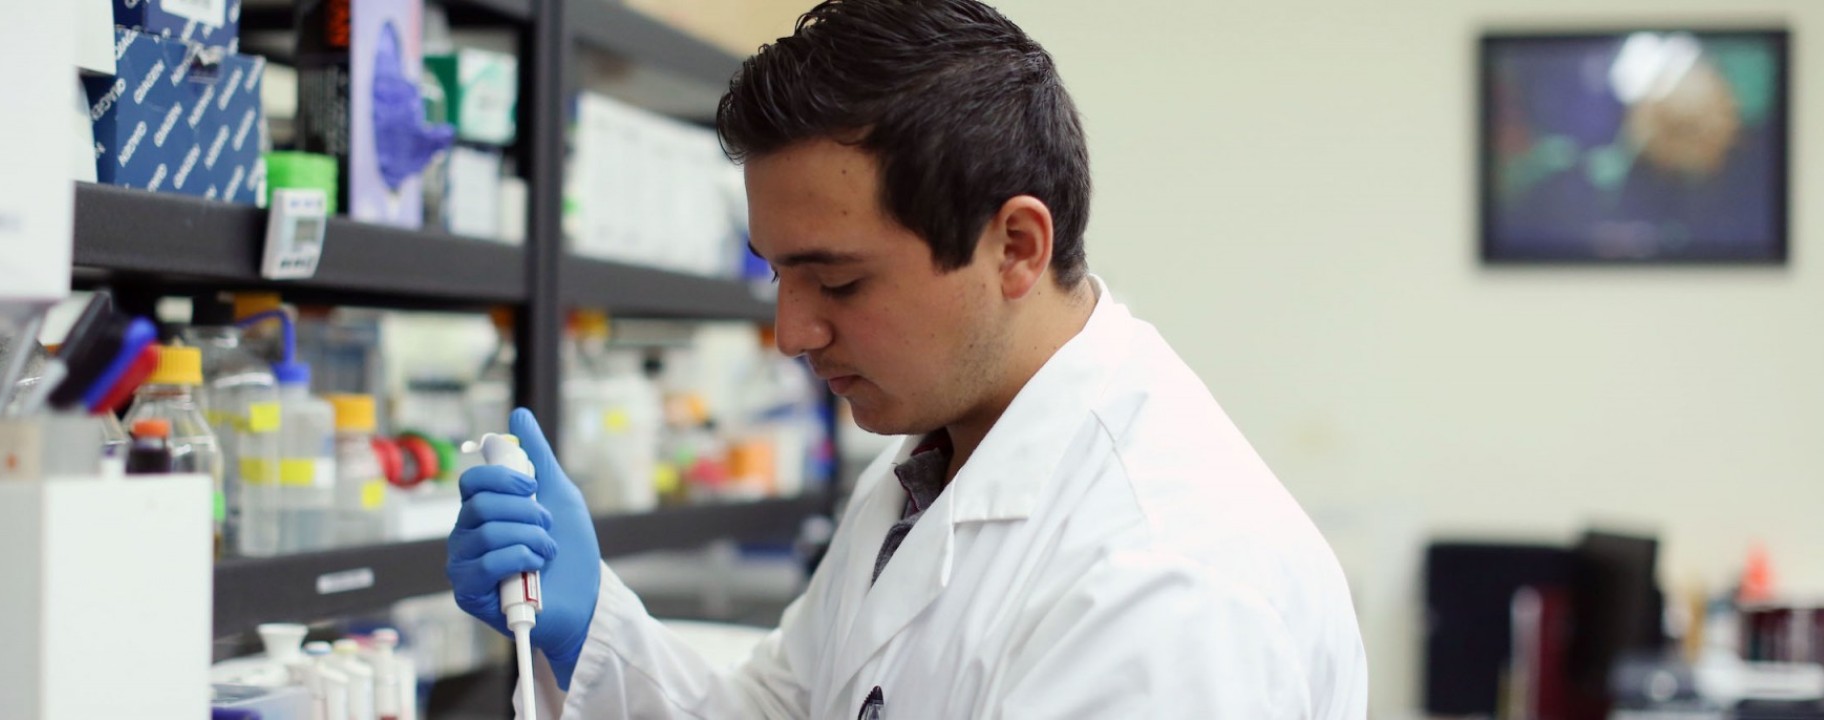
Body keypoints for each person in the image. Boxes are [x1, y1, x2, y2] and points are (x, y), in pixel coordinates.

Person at [445, 0, 1369, 716]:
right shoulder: (930, 462)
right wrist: (589, 625)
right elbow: (784, 712)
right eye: (778, 276)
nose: (793, 333)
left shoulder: (1164, 586)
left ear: (1015, 246)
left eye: (838, 283)